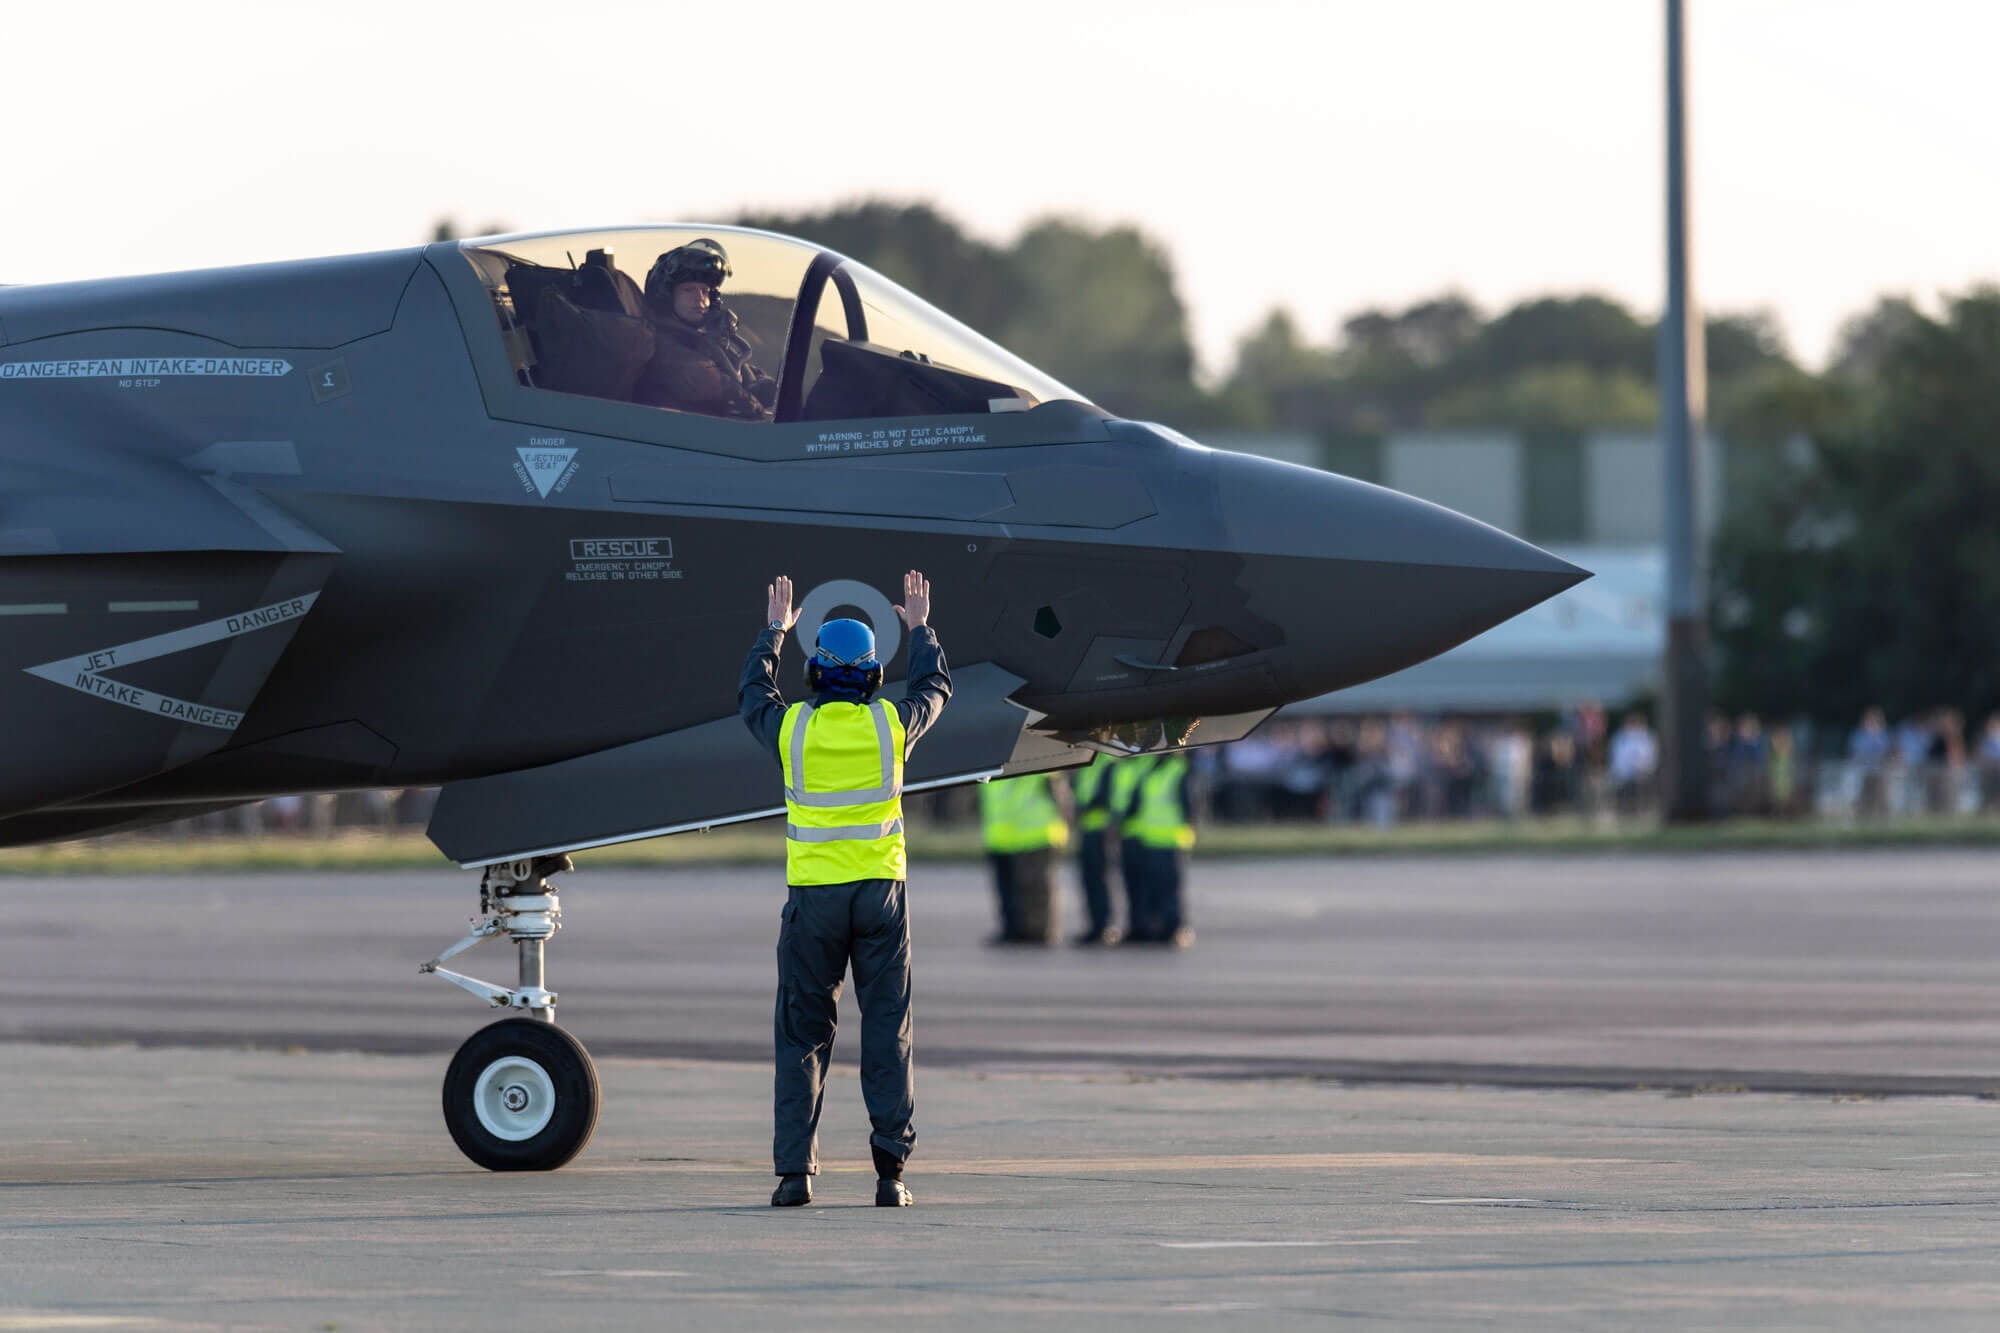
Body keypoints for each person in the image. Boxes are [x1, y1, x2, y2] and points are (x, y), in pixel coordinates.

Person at [739, 570, 950, 1208]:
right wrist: (920, 626)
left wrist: (774, 629)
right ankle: (891, 1174)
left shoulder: (791, 731)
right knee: (887, 1029)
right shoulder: (889, 726)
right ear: (873, 675)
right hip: (881, 897)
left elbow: (753, 692)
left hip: (814, 901)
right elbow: (937, 688)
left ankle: (794, 1176)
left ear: (815, 675)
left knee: (802, 1034)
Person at [634, 238, 777, 419]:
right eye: (688, 290)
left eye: (705, 291)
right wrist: (757, 406)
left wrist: (763, 384)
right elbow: (723, 390)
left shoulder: (698, 340)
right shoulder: (663, 345)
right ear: (666, 295)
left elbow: (740, 370)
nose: (700, 299)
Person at [978, 773, 1071, 945]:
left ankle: (1041, 931)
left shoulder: (1038, 755)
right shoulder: (991, 758)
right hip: (1002, 835)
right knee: (1009, 889)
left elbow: (1059, 794)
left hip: (1036, 834)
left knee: (1037, 888)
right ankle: (1013, 930)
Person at [1120, 749, 1196, 947]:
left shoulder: (1177, 770)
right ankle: (1159, 928)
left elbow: (1189, 806)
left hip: (1171, 839)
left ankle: (1175, 929)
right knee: (1153, 889)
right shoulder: (1152, 771)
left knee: (1169, 889)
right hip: (1150, 838)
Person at [1070, 755, 1123, 945]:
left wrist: (1084, 807)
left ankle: (1105, 926)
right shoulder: (1087, 762)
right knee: (1089, 881)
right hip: (1087, 829)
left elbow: (1105, 795)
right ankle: (1095, 925)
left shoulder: (1108, 763)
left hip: (1102, 830)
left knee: (1101, 881)